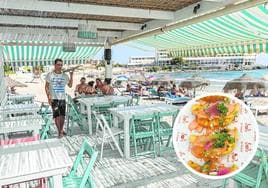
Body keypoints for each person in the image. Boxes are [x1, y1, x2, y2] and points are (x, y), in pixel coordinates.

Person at [45, 58, 73, 138]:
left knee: (62, 116)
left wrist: (71, 75)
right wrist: (48, 97)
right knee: (57, 115)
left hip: (62, 98)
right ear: (55, 65)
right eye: (58, 64)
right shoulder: (50, 75)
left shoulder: (65, 75)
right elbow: (46, 87)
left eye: (61, 65)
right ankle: (59, 131)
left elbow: (70, 85)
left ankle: (61, 130)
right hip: (54, 98)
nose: (60, 66)